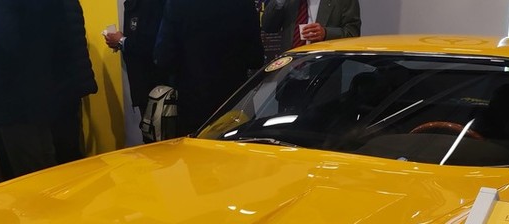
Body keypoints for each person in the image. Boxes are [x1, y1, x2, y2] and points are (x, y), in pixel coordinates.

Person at [0, 0, 69, 178]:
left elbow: (4, 48)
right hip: (44, 89)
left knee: (28, 173)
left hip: (15, 97)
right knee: (47, 165)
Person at [154, 0, 264, 136]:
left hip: (192, 103)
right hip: (234, 101)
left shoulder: (177, 4)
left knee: (195, 148)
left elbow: (164, 57)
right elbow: (255, 59)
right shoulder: (243, 3)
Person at [51, 0, 99, 164]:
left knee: (62, 146)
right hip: (72, 81)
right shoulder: (71, 3)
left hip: (57, 82)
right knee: (71, 139)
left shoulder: (50, 6)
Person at [104, 0, 167, 119]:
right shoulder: (134, 4)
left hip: (156, 85)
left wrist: (122, 41)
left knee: (158, 127)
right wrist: (121, 41)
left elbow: (153, 44)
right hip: (143, 83)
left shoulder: (152, 4)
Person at [262, 0, 361, 49]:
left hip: (324, 72)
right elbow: (268, 27)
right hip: (288, 71)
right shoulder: (288, 1)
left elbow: (353, 32)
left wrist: (326, 33)